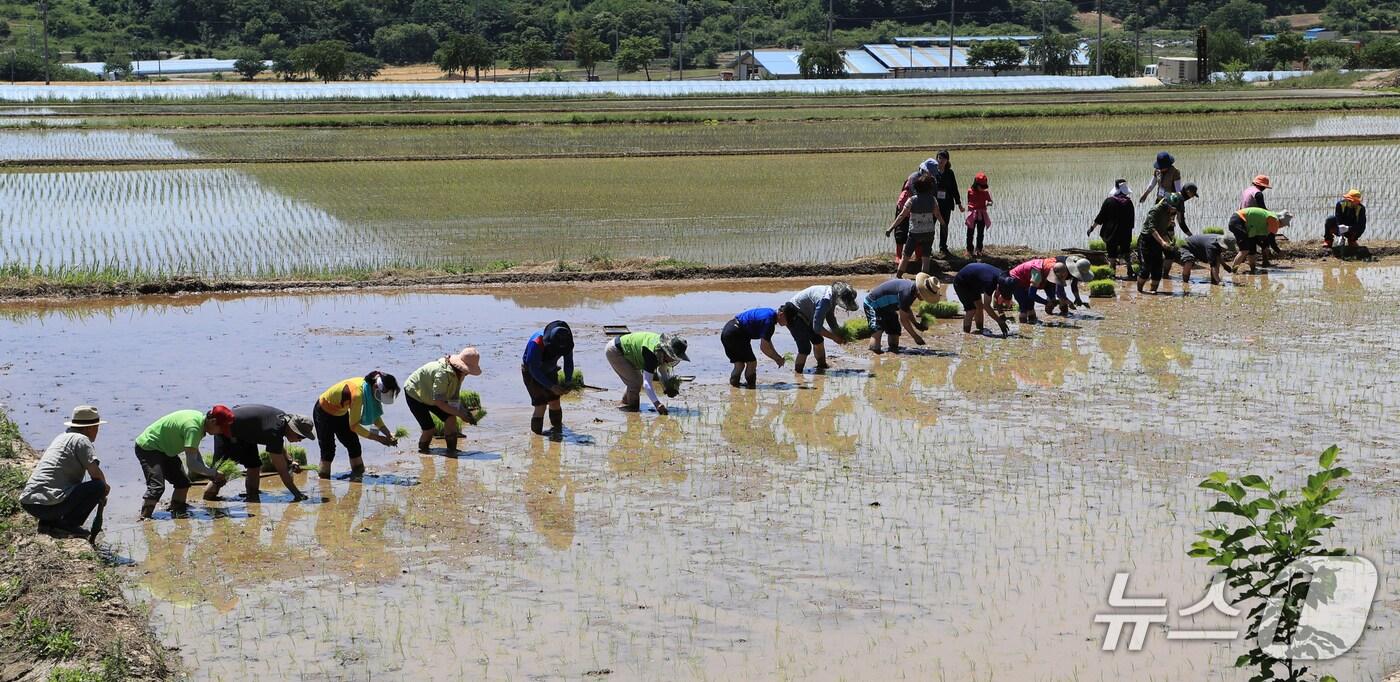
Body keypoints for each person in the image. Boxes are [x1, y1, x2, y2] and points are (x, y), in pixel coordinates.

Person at [19, 405, 111, 536]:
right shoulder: (82, 440)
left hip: (30, 503)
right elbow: (96, 474)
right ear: (89, 428)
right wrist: (104, 492)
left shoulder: (62, 437)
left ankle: (48, 523)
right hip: (49, 505)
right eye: (97, 427)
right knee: (98, 486)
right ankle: (68, 525)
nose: (97, 431)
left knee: (64, 487)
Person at [135, 406, 233, 519]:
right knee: (157, 486)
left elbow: (194, 454)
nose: (221, 433)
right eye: (221, 429)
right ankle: (145, 518)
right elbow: (191, 465)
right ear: (213, 421)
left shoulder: (199, 422)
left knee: (182, 483)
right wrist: (213, 473)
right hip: (149, 447)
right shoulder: (194, 428)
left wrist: (209, 473)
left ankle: (177, 511)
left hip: (165, 450)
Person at [202, 406, 316, 502]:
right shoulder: (274, 432)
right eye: (300, 436)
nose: (300, 440)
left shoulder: (282, 419)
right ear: (293, 429)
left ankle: (252, 496)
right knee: (221, 473)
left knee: (254, 465)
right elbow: (282, 471)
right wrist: (297, 494)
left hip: (246, 434)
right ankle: (208, 500)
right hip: (225, 430)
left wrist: (289, 461)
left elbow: (278, 446)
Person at [313, 371, 400, 478]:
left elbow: (375, 416)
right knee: (328, 450)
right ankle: (324, 481)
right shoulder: (358, 394)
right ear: (376, 386)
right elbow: (354, 426)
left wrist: (388, 434)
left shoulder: (369, 389)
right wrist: (379, 438)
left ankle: (358, 476)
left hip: (341, 413)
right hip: (323, 411)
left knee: (353, 445)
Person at [405, 349, 481, 453]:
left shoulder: (460, 374)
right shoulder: (442, 374)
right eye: (468, 370)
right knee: (429, 429)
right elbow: (439, 402)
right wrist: (460, 414)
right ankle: (423, 452)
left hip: (434, 395)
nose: (468, 373)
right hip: (416, 394)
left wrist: (464, 412)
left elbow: (454, 397)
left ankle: (452, 451)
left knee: (451, 419)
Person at [781, 281, 857, 373]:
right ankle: (798, 373)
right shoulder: (825, 300)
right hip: (794, 314)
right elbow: (817, 328)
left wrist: (838, 332)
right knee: (804, 348)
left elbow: (830, 317)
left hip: (807, 315)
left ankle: (822, 366)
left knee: (818, 341)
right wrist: (834, 337)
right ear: (839, 297)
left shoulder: (832, 296)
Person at [605, 331, 689, 414]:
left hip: (628, 351)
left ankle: (625, 402)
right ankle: (632, 412)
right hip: (615, 350)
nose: (673, 360)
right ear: (668, 352)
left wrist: (668, 386)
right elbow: (647, 384)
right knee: (635, 382)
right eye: (673, 357)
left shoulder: (661, 350)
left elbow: (662, 370)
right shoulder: (651, 354)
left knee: (634, 379)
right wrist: (657, 404)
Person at [522, 321, 576, 439]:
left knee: (555, 401)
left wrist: (568, 381)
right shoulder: (536, 343)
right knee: (540, 405)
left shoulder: (566, 342)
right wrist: (551, 386)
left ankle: (557, 431)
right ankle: (537, 438)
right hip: (532, 372)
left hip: (550, 369)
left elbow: (568, 362)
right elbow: (534, 369)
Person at [863, 273, 941, 353]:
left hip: (888, 307)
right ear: (920, 291)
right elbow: (904, 320)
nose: (925, 298)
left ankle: (892, 351)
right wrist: (915, 337)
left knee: (895, 329)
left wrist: (915, 324)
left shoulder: (913, 291)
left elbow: (906, 309)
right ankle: (874, 354)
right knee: (877, 329)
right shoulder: (906, 293)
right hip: (873, 304)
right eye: (925, 296)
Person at [887, 173, 943, 278]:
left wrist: (891, 228)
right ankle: (923, 282)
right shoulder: (933, 200)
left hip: (915, 233)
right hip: (929, 233)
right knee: (926, 258)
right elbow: (938, 215)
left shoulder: (912, 200)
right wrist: (944, 225)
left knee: (906, 256)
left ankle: (898, 277)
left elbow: (901, 216)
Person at [721, 307, 787, 388]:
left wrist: (777, 357)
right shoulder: (769, 321)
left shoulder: (769, 313)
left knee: (739, 364)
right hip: (737, 333)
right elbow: (764, 347)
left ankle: (734, 386)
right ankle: (751, 387)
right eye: (788, 320)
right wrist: (777, 359)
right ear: (781, 314)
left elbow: (767, 342)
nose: (788, 323)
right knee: (751, 363)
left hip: (728, 330)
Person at [891, 159, 937, 268]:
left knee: (920, 232)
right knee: (902, 231)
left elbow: (932, 194)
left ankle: (918, 256)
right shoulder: (914, 177)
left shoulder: (932, 180)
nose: (931, 175)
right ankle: (899, 256)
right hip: (907, 205)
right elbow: (916, 195)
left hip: (920, 210)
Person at [1088, 179, 1136, 278]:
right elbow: (1132, 220)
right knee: (1126, 251)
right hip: (1125, 232)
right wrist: (1129, 230)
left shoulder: (1109, 201)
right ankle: (1130, 269)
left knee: (1112, 253)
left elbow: (1100, 217)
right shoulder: (1129, 203)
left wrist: (1092, 228)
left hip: (1111, 233)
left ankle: (1112, 272)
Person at [951, 262, 1013, 336]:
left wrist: (1001, 314)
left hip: (973, 281)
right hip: (961, 282)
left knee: (979, 306)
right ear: (998, 287)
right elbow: (987, 306)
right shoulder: (990, 282)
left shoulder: (1004, 277)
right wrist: (999, 321)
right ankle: (966, 335)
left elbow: (996, 296)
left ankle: (980, 330)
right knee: (971, 310)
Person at [1137, 193, 1180, 294]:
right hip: (1147, 239)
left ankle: (1153, 291)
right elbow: (1152, 229)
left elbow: (1163, 231)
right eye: (1172, 207)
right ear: (1166, 203)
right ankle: (1140, 291)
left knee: (1157, 267)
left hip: (1159, 239)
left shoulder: (1169, 212)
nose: (1174, 209)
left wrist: (1168, 243)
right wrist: (1163, 243)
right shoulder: (1155, 210)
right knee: (1146, 267)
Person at [1229, 207, 1293, 274]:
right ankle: (1233, 271)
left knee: (1252, 249)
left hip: (1239, 221)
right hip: (1239, 221)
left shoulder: (1270, 217)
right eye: (1283, 225)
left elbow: (1260, 237)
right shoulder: (1274, 220)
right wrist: (1279, 252)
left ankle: (1253, 269)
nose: (1281, 227)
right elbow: (1271, 240)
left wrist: (1264, 247)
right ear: (1281, 221)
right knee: (1244, 250)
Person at [1009, 257, 1069, 323]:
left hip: (1027, 282)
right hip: (1016, 280)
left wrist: (1052, 299)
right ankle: (1024, 328)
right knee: (1024, 307)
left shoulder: (1051, 267)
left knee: (1031, 306)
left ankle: (1031, 326)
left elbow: (1047, 286)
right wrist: (1046, 303)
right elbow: (1032, 295)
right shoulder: (1037, 274)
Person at [1239, 176, 1280, 265]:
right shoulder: (1258, 193)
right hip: (1254, 219)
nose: (1265, 188)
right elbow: (1263, 209)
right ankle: (1265, 261)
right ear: (1261, 186)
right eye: (1264, 187)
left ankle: (1244, 261)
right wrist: (1272, 216)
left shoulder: (1247, 190)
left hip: (1243, 217)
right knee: (1264, 239)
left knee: (1250, 241)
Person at [932, 150, 963, 255]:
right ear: (936, 158)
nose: (941, 160)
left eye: (943, 158)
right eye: (939, 158)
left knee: (944, 225)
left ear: (947, 160)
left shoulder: (950, 173)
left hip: (946, 204)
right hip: (934, 204)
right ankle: (928, 248)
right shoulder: (932, 171)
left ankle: (943, 247)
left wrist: (959, 203)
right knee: (930, 226)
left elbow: (954, 188)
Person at [965, 172, 992, 257]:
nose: (982, 188)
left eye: (984, 187)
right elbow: (968, 201)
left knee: (980, 233)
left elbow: (990, 201)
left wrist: (989, 203)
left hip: (982, 214)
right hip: (972, 214)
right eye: (981, 186)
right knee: (970, 233)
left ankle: (979, 250)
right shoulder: (970, 191)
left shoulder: (985, 192)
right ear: (976, 184)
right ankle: (969, 250)